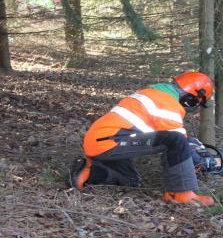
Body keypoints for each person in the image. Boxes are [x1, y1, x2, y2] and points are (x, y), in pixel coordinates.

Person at [68, 71, 215, 207]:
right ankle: (181, 193)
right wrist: (201, 159)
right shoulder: (167, 103)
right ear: (192, 99)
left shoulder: (153, 93)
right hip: (112, 141)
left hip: (103, 141)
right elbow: (179, 142)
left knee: (131, 180)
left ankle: (90, 172)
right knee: (175, 141)